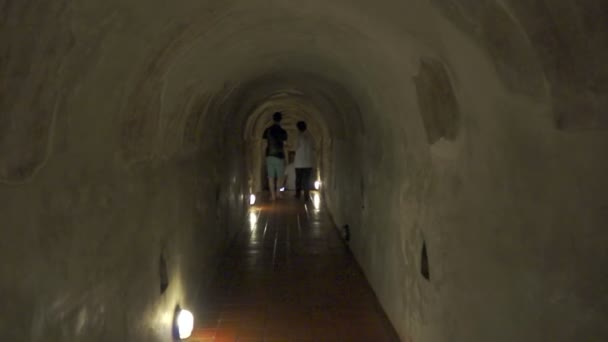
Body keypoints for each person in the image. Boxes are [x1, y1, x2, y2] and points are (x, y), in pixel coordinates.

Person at [263, 112, 288, 201]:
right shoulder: (283, 131)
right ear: (280, 120)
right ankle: (278, 193)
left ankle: (272, 196)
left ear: (273, 119)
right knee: (280, 177)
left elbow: (265, 144)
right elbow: (284, 145)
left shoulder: (267, 130)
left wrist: (265, 155)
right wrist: (286, 159)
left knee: (270, 177)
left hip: (269, 155)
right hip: (279, 156)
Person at [294, 120, 314, 200]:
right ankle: (306, 195)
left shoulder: (299, 136)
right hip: (308, 162)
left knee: (298, 178)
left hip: (299, 162)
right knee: (307, 180)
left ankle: (298, 194)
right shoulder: (310, 136)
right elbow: (313, 147)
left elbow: (295, 147)